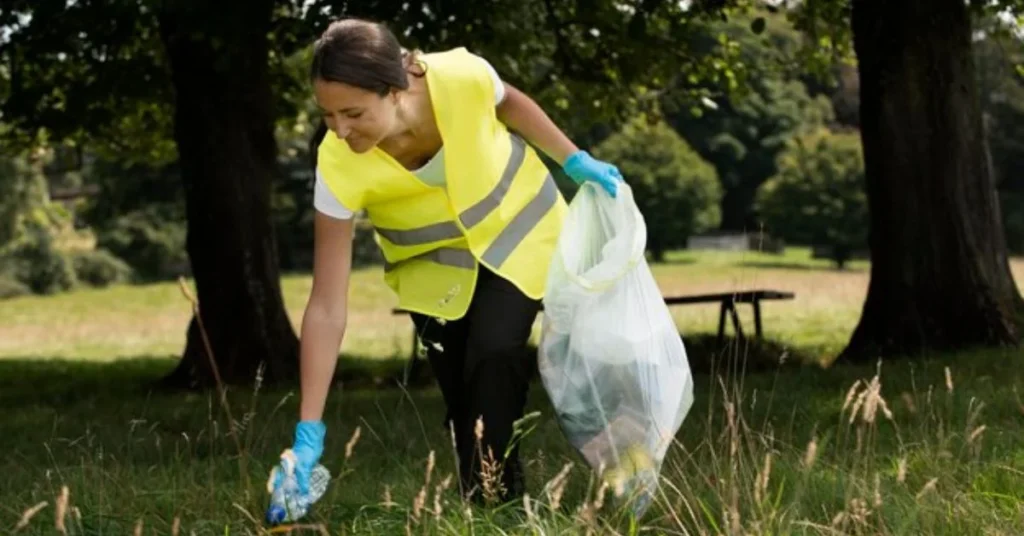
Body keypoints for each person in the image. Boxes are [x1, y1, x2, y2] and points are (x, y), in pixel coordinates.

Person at [273, 17, 624, 507]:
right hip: (434, 275)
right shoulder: (336, 165)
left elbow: (509, 101)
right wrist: (308, 430)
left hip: (517, 236)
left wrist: (572, 158)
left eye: (352, 113)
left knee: (495, 353)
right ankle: (494, 492)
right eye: (327, 116)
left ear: (394, 89)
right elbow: (327, 304)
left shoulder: (459, 77)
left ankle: (492, 507)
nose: (340, 130)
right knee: (464, 398)